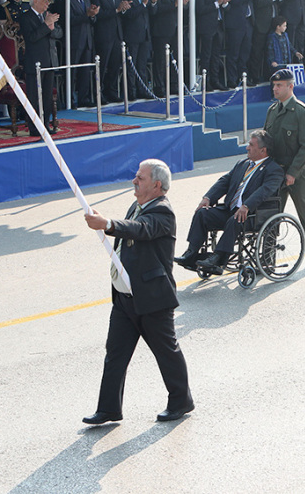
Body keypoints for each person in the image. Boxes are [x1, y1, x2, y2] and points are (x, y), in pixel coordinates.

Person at [82, 159, 194, 425]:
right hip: (125, 298)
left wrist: (107, 224)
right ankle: (108, 408)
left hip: (152, 299)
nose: (134, 181)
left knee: (166, 353)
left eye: (140, 178)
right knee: (115, 354)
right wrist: (104, 223)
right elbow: (129, 229)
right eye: (136, 176)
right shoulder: (138, 204)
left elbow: (141, 230)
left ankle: (181, 400)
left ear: (156, 185)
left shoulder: (163, 212)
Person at [174, 130, 285, 273]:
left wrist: (247, 206)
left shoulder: (273, 170)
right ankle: (191, 253)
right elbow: (224, 182)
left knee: (235, 220)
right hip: (230, 209)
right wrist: (207, 198)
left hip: (252, 215)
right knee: (202, 214)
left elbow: (263, 192)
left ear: (263, 150)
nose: (247, 147)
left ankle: (218, 258)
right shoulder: (243, 164)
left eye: (251, 145)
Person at [263, 69, 305, 268]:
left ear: (290, 86)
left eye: (279, 85)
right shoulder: (272, 110)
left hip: (297, 173)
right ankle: (267, 260)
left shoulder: (302, 112)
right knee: (271, 215)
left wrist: (292, 172)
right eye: (274, 85)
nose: (275, 89)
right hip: (276, 172)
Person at [19, 0, 62, 137]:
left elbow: (58, 33)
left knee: (47, 97)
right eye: (45, 1)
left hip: (49, 61)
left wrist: (50, 26)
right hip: (35, 63)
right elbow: (32, 37)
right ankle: (34, 127)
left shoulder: (47, 16)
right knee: (35, 97)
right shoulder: (26, 17)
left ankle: (45, 125)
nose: (47, 3)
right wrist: (45, 25)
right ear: (35, 1)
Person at [92, 0, 128, 102]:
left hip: (116, 33)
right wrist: (117, 10)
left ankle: (111, 91)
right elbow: (98, 14)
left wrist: (123, 8)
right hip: (104, 34)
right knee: (102, 65)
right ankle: (98, 93)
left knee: (114, 64)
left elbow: (119, 11)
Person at [196, 0, 232, 92]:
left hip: (219, 26)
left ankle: (215, 80)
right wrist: (217, 3)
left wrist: (225, 3)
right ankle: (206, 82)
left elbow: (227, 8)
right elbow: (200, 9)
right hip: (207, 27)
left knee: (216, 55)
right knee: (206, 55)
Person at [222, 0, 256, 87]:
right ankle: (232, 79)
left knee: (245, 52)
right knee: (234, 53)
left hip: (248, 21)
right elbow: (234, 0)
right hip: (235, 23)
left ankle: (244, 78)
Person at [120, 0, 152, 100]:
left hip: (145, 34)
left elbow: (151, 13)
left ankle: (143, 90)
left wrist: (153, 3)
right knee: (131, 65)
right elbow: (130, 14)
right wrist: (143, 4)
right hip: (132, 34)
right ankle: (131, 92)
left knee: (142, 65)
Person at [68, 0, 98, 108]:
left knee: (85, 71)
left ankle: (83, 98)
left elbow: (91, 20)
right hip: (75, 40)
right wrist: (87, 15)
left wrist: (92, 15)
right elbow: (70, 20)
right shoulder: (68, 0)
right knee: (72, 72)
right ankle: (70, 99)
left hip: (87, 39)